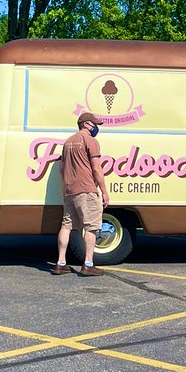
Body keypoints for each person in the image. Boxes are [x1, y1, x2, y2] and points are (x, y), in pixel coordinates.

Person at [52, 111, 110, 277]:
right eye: (94, 124)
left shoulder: (68, 142)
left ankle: (61, 263)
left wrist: (68, 183)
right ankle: (88, 264)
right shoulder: (90, 141)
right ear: (86, 124)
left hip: (69, 190)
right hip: (86, 189)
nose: (96, 127)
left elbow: (62, 168)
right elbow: (96, 168)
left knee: (66, 225)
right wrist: (104, 191)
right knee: (91, 226)